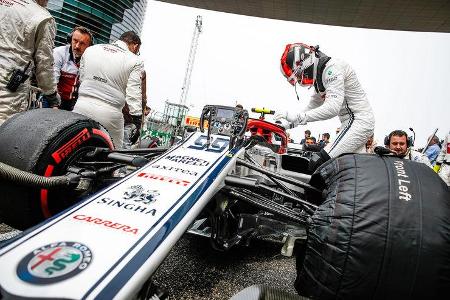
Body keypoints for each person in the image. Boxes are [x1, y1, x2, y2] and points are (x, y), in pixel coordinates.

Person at [276, 42, 375, 170]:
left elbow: (332, 108)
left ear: (305, 63)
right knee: (352, 170)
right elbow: (312, 107)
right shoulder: (320, 74)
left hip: (358, 122)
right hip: (350, 123)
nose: (300, 80)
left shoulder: (331, 69)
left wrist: (298, 117)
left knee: (319, 163)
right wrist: (288, 125)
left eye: (299, 74)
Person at [73, 31, 144, 148]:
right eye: (137, 51)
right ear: (135, 46)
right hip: (110, 115)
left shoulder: (91, 50)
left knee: (74, 148)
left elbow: (82, 78)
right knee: (113, 156)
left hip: (81, 107)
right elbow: (133, 93)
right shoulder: (135, 61)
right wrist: (137, 122)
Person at [0, 0, 59, 125]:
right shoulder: (44, 18)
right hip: (9, 90)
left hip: (10, 82)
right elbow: (44, 63)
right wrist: (52, 95)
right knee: (5, 131)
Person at [52, 26, 93, 111]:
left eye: (82, 43)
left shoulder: (91, 60)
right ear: (70, 39)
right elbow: (53, 80)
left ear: (89, 47)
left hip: (75, 104)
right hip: (54, 99)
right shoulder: (58, 53)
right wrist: (54, 104)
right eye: (75, 41)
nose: (77, 46)